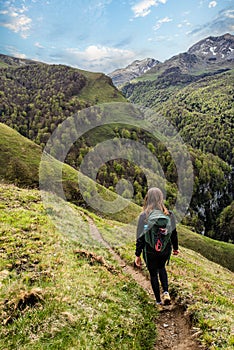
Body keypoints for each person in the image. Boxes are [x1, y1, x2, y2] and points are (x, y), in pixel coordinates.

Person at [134, 187, 179, 308]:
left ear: (147, 199)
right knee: (162, 268)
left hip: (150, 250)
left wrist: (137, 254)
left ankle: (158, 302)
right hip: (165, 250)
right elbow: (173, 233)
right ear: (161, 199)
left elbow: (140, 236)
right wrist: (175, 248)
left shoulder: (144, 216)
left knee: (153, 274)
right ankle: (166, 292)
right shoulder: (169, 214)